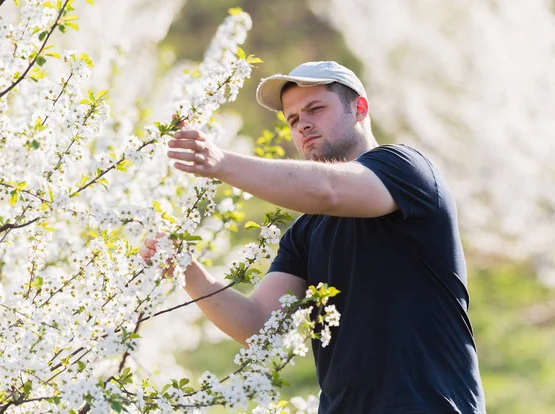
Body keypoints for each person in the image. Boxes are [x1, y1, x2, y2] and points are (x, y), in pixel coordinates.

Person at [139, 61, 486, 414]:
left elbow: (327, 189)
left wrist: (220, 162)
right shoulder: (305, 233)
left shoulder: (406, 169)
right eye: (292, 119)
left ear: (360, 109)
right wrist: (187, 269)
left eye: (315, 109)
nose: (302, 124)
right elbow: (256, 326)